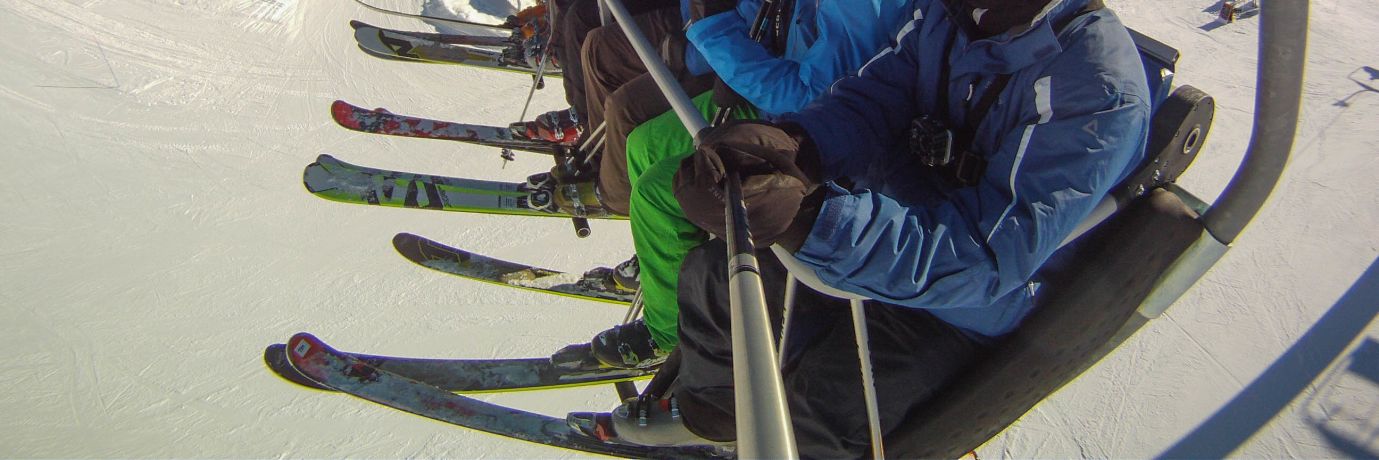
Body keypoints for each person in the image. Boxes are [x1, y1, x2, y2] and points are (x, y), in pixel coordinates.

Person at [570, 0, 1152, 455]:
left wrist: (815, 220)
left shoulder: (1094, 89)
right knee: (711, 275)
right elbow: (871, 98)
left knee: (823, 408)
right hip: (885, 229)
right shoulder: (950, 17)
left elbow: (984, 256)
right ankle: (715, 417)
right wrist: (793, 147)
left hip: (959, 305)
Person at [583, 0, 921, 369]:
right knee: (644, 144)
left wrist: (715, 28)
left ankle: (667, 334)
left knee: (657, 191)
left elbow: (815, 97)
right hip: (766, 95)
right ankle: (666, 265)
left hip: (811, 132)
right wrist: (714, 27)